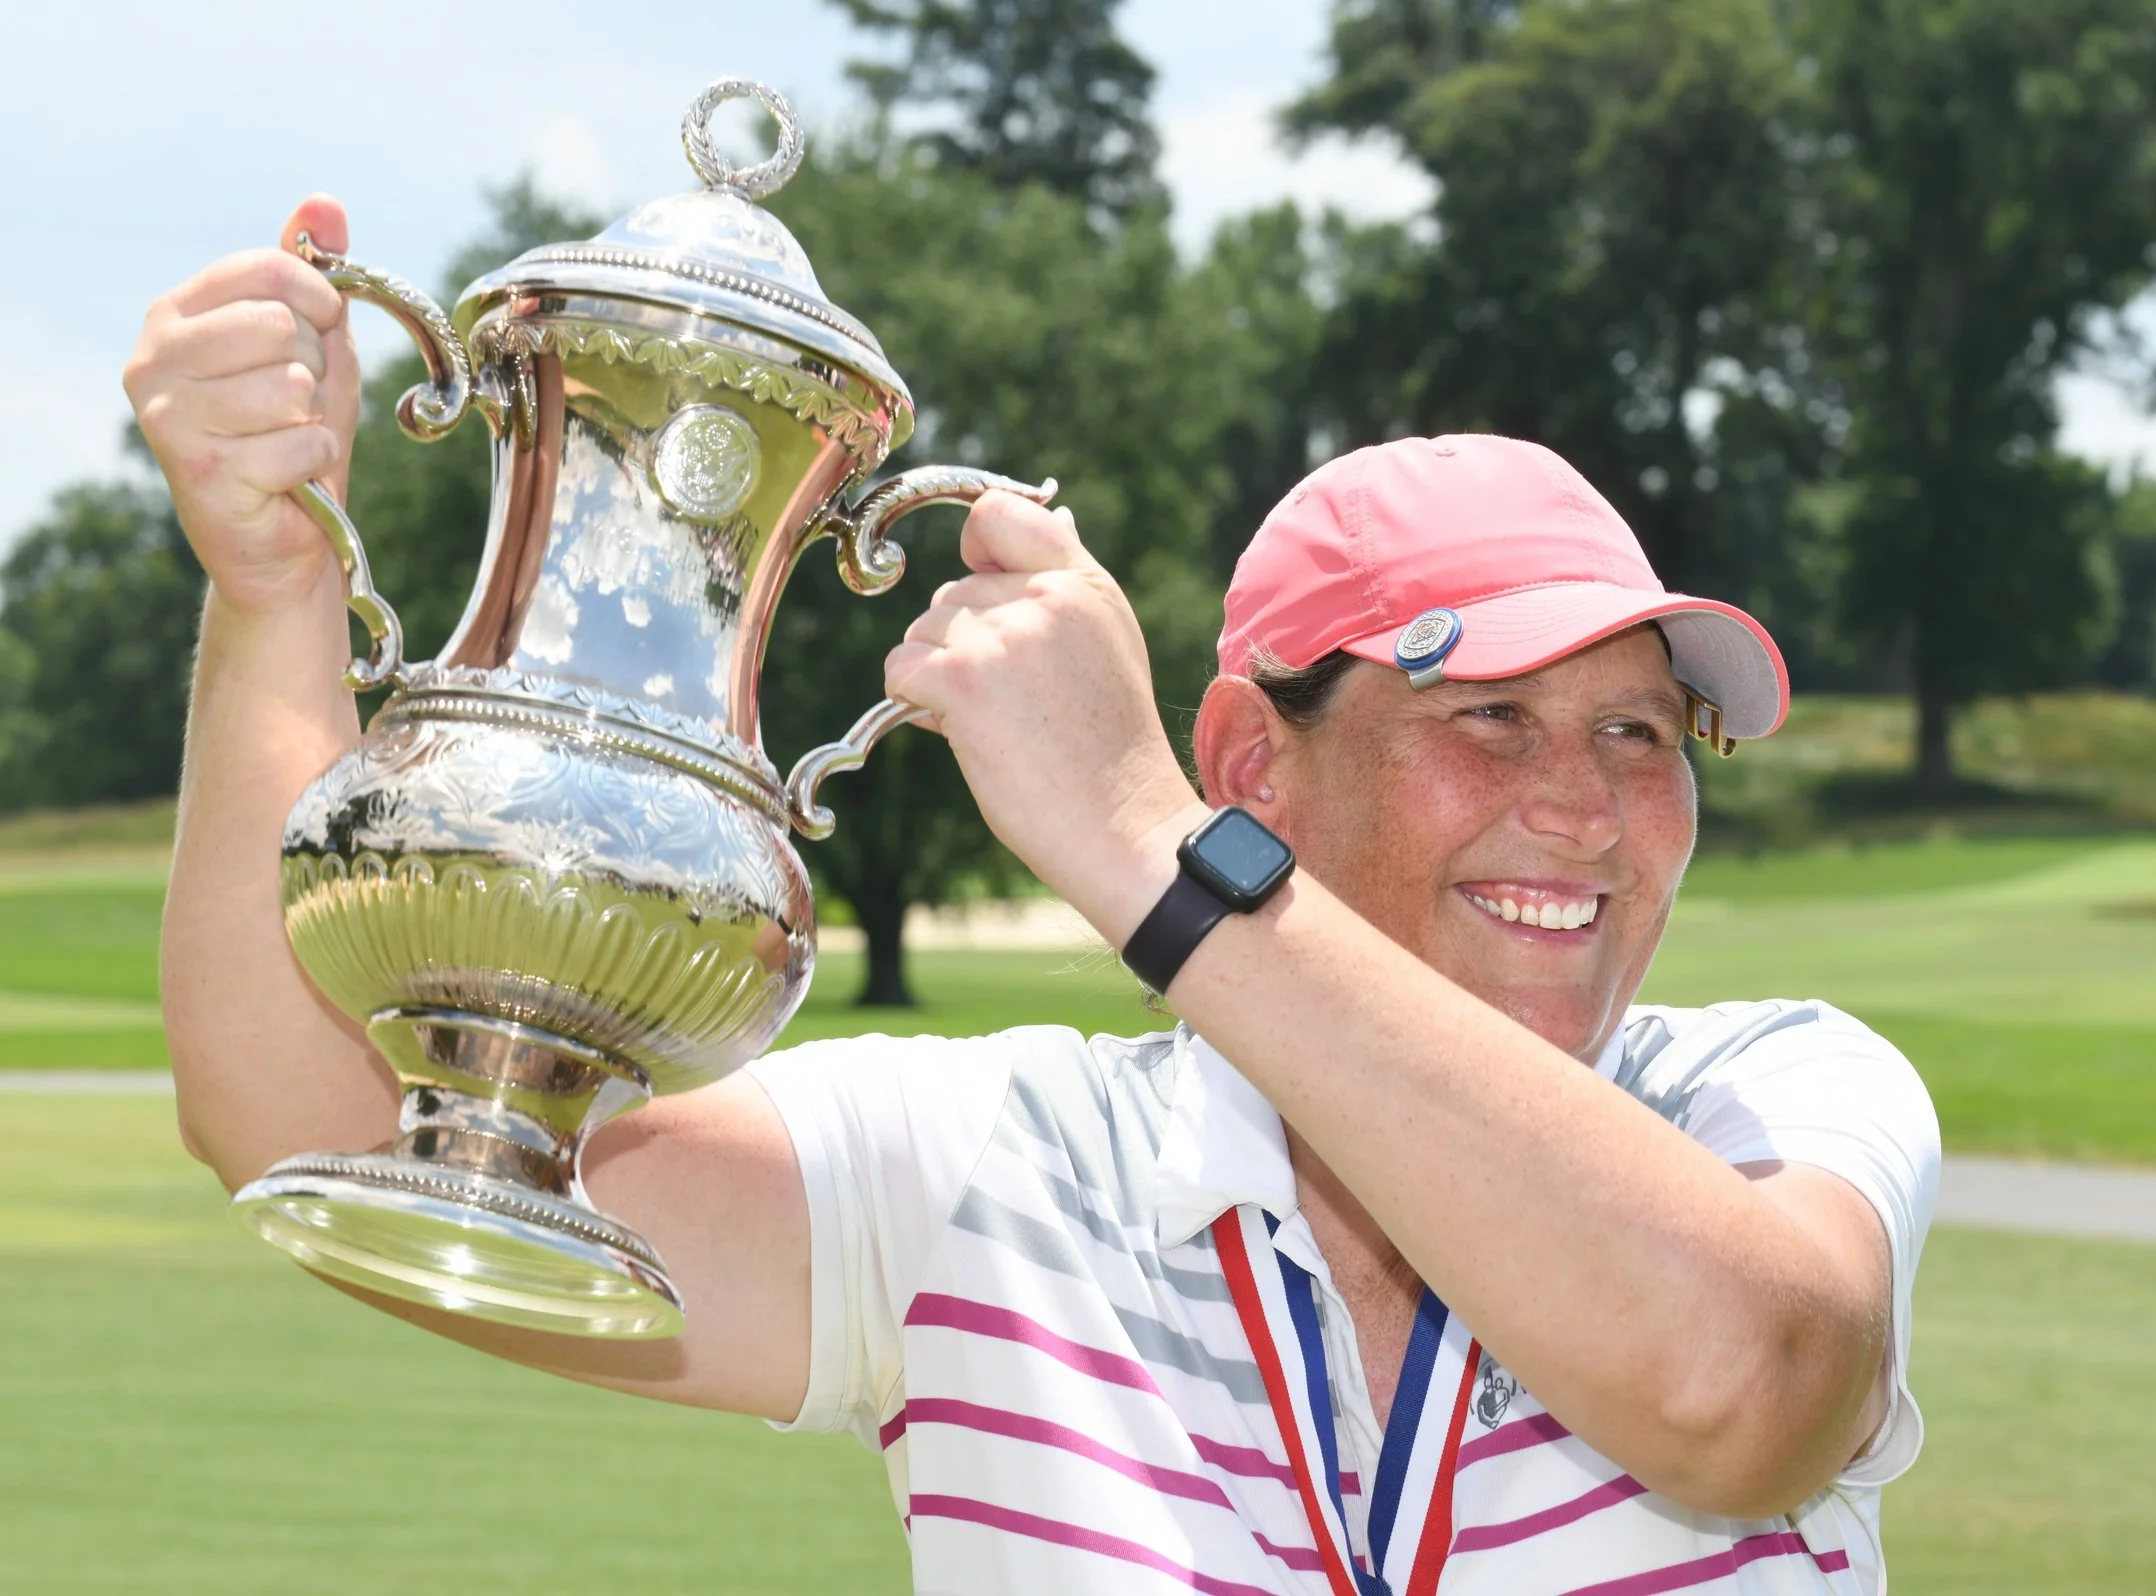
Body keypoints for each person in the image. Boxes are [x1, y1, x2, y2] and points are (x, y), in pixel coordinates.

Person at [127, 197, 1940, 1596]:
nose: (1588, 809)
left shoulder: (1768, 1099)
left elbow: (1746, 1388)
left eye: (1642, 734)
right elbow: (317, 1120)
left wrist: (1143, 842)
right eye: (1492, 719)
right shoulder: (999, 1173)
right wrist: (274, 584)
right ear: (1256, 765)